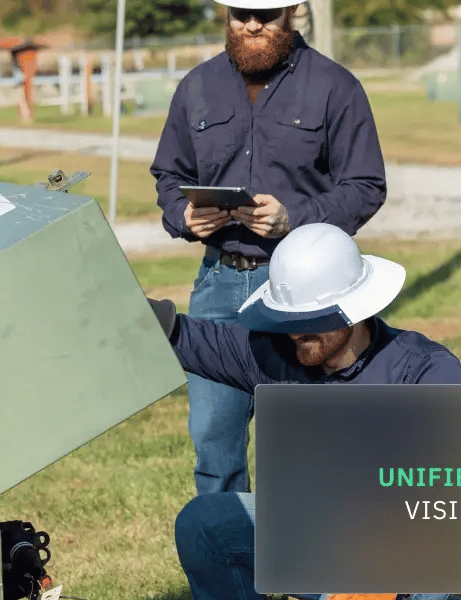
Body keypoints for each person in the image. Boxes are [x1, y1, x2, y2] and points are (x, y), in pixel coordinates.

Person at [148, 224, 461, 600]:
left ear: (354, 309)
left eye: (311, 320)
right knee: (205, 524)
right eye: (288, 318)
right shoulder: (279, 354)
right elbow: (186, 336)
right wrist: (122, 305)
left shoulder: (424, 371)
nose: (295, 332)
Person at [149, 0, 387, 507]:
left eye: (267, 14)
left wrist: (294, 219)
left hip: (305, 293)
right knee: (214, 441)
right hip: (219, 284)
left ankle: (314, 552)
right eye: (241, 14)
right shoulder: (196, 87)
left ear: (292, 12)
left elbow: (366, 185)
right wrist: (184, 216)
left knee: (307, 440)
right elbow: (168, 174)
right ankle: (230, 559)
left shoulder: (336, 86)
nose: (253, 24)